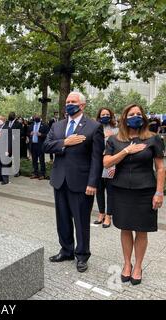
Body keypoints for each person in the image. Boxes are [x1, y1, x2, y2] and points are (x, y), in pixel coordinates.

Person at [103, 104, 165, 285]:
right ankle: (126, 264)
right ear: (124, 117)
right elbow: (106, 163)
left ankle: (137, 266)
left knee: (142, 230)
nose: (136, 116)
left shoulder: (153, 139)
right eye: (131, 114)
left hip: (145, 191)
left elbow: (161, 168)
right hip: (121, 190)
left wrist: (159, 192)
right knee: (125, 228)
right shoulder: (114, 140)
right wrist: (126, 151)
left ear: (144, 118)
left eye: (139, 114)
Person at [43, 92, 104, 273]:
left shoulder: (94, 127)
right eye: (68, 101)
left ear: (82, 105)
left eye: (73, 102)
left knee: (81, 221)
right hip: (59, 180)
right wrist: (65, 142)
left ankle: (82, 255)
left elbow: (96, 159)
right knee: (62, 219)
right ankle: (66, 250)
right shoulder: (58, 125)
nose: (69, 104)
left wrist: (93, 183)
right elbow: (46, 145)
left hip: (82, 182)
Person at [93, 107, 119, 228]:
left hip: (111, 164)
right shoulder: (95, 129)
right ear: (99, 116)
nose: (105, 116)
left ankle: (109, 215)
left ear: (111, 115)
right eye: (102, 114)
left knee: (110, 191)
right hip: (98, 164)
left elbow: (120, 147)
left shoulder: (116, 130)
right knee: (99, 191)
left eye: (107, 114)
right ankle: (101, 213)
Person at [28, 114, 50, 180]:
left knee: (41, 160)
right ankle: (35, 173)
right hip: (33, 145)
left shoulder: (44, 125)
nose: (36, 118)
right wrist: (30, 133)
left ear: (40, 118)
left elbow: (48, 135)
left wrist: (41, 134)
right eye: (35, 117)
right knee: (34, 160)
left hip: (40, 145)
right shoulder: (31, 125)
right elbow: (28, 133)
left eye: (37, 117)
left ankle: (42, 174)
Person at [0, 115, 11, 185]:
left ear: (4, 120)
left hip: (4, 149)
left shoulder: (8, 128)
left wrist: (8, 150)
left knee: (4, 164)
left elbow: (9, 140)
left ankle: (5, 179)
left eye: (1, 119)